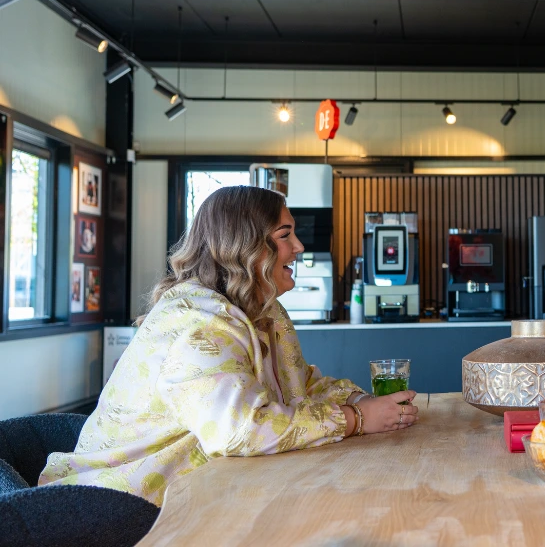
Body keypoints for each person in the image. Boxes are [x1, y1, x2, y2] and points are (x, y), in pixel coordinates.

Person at [40, 186, 419, 505]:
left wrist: (362, 402)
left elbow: (301, 383)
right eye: (285, 235)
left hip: (199, 493)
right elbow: (239, 430)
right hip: (120, 507)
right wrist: (356, 420)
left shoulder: (266, 311)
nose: (299, 246)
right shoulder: (199, 323)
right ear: (246, 246)